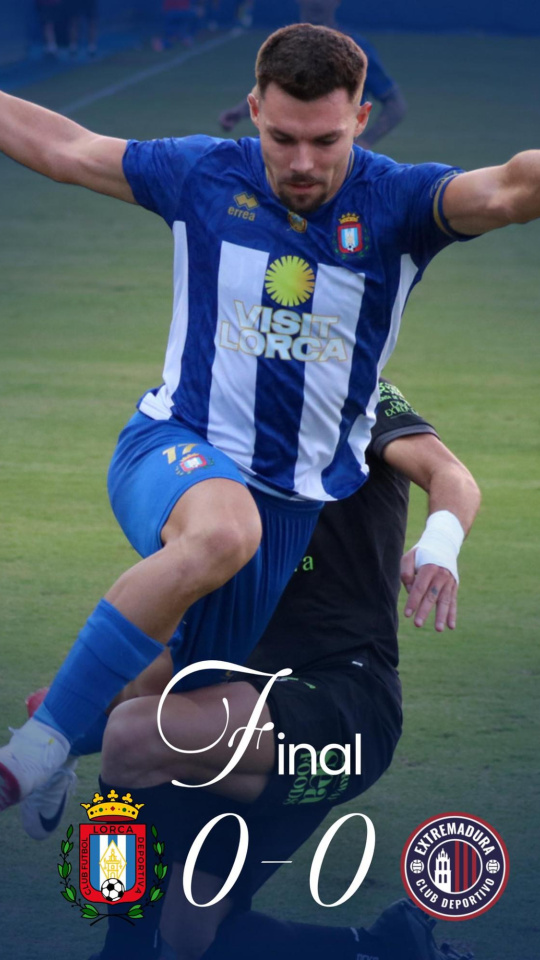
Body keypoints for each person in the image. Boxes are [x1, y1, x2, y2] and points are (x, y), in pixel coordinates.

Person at [0, 22, 537, 814]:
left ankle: (59, 734)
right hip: (172, 447)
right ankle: (30, 757)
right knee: (223, 530)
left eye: (323, 140)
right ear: (252, 109)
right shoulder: (201, 174)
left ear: (360, 117)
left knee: (168, 690)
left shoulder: (398, 204)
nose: (302, 163)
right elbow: (68, 149)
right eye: (282, 137)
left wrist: (444, 542)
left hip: (287, 514)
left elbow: (512, 188)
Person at [22, 382, 479, 960]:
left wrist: (439, 546)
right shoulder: (220, 411)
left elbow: (452, 476)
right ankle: (387, 950)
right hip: (238, 705)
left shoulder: (354, 393)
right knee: (194, 939)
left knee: (135, 734)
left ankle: (119, 950)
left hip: (343, 711)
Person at [218, 0, 407, 150]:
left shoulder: (355, 49)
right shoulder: (285, 46)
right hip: (282, 160)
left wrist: (364, 142)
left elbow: (395, 104)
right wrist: (239, 112)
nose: (317, 2)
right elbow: (270, 89)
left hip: (333, 165)